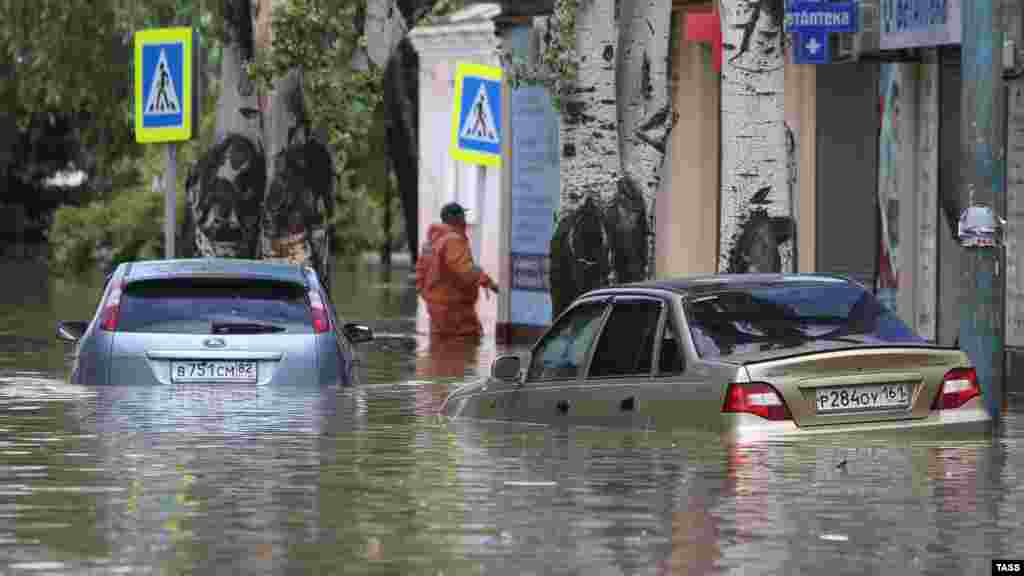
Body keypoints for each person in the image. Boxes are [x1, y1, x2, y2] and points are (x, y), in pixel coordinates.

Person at [415, 202, 499, 337]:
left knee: (440, 348)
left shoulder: (431, 242)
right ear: (456, 218)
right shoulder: (453, 240)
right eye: (463, 215)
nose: (465, 219)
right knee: (468, 342)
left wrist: (429, 298)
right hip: (454, 308)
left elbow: (419, 273)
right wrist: (490, 283)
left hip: (436, 308)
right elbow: (466, 269)